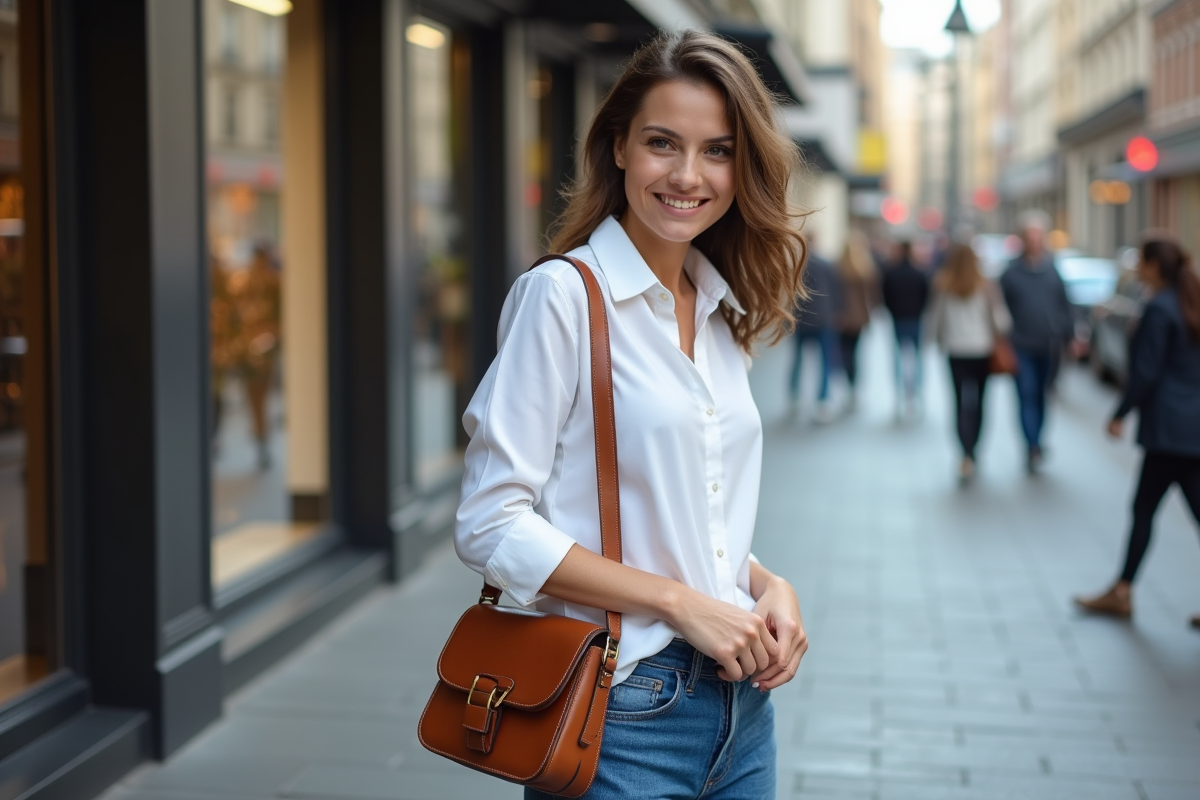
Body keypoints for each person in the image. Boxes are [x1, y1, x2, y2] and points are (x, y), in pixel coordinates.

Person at [455, 30, 809, 799]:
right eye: (662, 143)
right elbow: (489, 523)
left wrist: (766, 585)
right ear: (619, 147)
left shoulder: (717, 311)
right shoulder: (562, 298)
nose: (687, 175)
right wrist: (679, 603)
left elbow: (687, 513)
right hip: (620, 713)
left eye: (717, 151)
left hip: (743, 714)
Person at [1074, 236, 1200, 628]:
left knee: (1144, 509)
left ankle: (1122, 591)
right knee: (1156, 508)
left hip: (1168, 429)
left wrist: (1120, 413)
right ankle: (1122, 588)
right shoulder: (1190, 302)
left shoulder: (1160, 309)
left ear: (1153, 266)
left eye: (1140, 262)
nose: (1136, 269)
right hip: (1191, 426)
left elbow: (1146, 370)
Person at [929, 243, 1012, 483]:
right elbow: (1002, 321)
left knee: (958, 402)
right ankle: (974, 448)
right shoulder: (986, 285)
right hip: (981, 350)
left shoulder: (943, 284)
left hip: (955, 350)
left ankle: (964, 452)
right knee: (980, 402)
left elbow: (936, 319)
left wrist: (938, 340)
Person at [999, 212, 1074, 473]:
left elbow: (1065, 304)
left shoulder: (1052, 270)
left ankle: (1038, 440)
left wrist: (1069, 334)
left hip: (1049, 344)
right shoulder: (1011, 273)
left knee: (1043, 394)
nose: (1034, 241)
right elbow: (1000, 310)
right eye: (1030, 236)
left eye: (1038, 236)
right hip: (1020, 344)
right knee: (1026, 393)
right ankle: (1031, 444)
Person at [788, 244, 840, 421]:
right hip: (822, 319)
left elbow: (788, 293)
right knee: (825, 361)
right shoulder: (826, 265)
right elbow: (835, 291)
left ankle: (795, 395)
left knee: (798, 359)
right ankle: (823, 401)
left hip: (801, 319)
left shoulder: (795, 266)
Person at [881, 240, 930, 416]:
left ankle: (900, 394)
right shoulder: (920, 273)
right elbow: (926, 298)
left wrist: (894, 311)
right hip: (915, 319)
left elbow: (885, 297)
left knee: (898, 358)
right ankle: (917, 392)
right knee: (917, 358)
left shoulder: (891, 273)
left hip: (899, 319)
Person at [836, 231, 878, 412]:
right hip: (859, 318)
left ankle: (849, 383)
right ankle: (853, 386)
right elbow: (872, 296)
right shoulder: (866, 268)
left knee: (845, 352)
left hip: (842, 318)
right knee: (855, 352)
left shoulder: (838, 268)